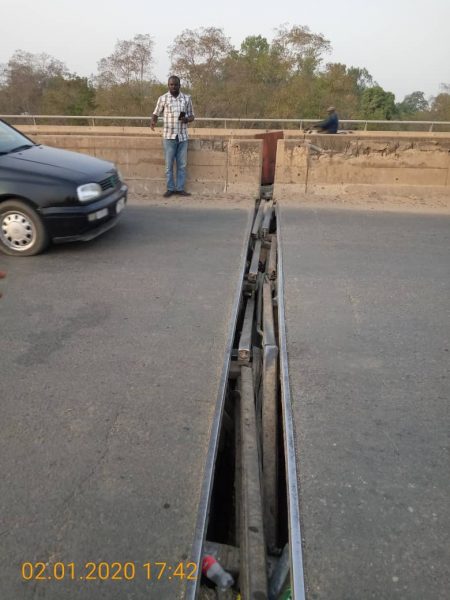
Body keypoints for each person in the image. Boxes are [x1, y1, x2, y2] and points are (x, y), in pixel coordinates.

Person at [151, 76, 195, 197]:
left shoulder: (186, 98)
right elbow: (156, 113)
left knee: (182, 165)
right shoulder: (163, 98)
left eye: (175, 85)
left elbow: (192, 115)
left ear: (179, 85)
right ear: (168, 85)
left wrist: (187, 119)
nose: (173, 87)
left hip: (182, 137)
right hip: (169, 137)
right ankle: (170, 188)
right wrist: (153, 121)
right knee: (168, 165)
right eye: (171, 84)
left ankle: (180, 189)